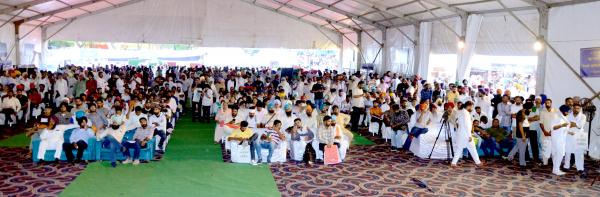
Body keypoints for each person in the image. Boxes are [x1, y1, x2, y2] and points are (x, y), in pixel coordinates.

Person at [451, 101, 482, 167]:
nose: (472, 108)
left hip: (460, 133)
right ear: (469, 106)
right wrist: (469, 135)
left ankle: (453, 163)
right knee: (472, 148)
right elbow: (467, 125)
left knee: (460, 148)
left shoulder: (460, 111)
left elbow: (456, 122)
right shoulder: (466, 113)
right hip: (465, 134)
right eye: (472, 107)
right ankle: (478, 162)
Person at [564, 103, 587, 177]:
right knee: (567, 151)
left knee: (579, 153)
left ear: (580, 109)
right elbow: (566, 125)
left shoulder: (583, 116)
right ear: (572, 108)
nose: (576, 109)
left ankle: (580, 168)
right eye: (575, 108)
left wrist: (573, 124)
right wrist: (571, 127)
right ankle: (566, 166)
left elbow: (580, 125)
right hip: (569, 135)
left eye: (578, 108)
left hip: (579, 136)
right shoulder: (568, 116)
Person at [551, 105, 571, 176]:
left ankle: (555, 169)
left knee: (559, 154)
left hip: (562, 138)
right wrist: (562, 125)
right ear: (563, 111)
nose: (568, 113)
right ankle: (556, 169)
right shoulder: (556, 116)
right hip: (557, 139)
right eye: (567, 111)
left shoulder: (564, 117)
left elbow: (565, 128)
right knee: (558, 154)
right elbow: (553, 127)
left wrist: (569, 132)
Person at [539, 99, 556, 166]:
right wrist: (544, 131)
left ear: (551, 103)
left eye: (548, 103)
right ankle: (545, 162)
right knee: (545, 148)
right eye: (546, 103)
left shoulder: (556, 111)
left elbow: (557, 122)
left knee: (554, 149)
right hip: (545, 134)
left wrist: (552, 131)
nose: (547, 104)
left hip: (554, 133)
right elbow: (541, 123)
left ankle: (554, 163)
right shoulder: (542, 112)